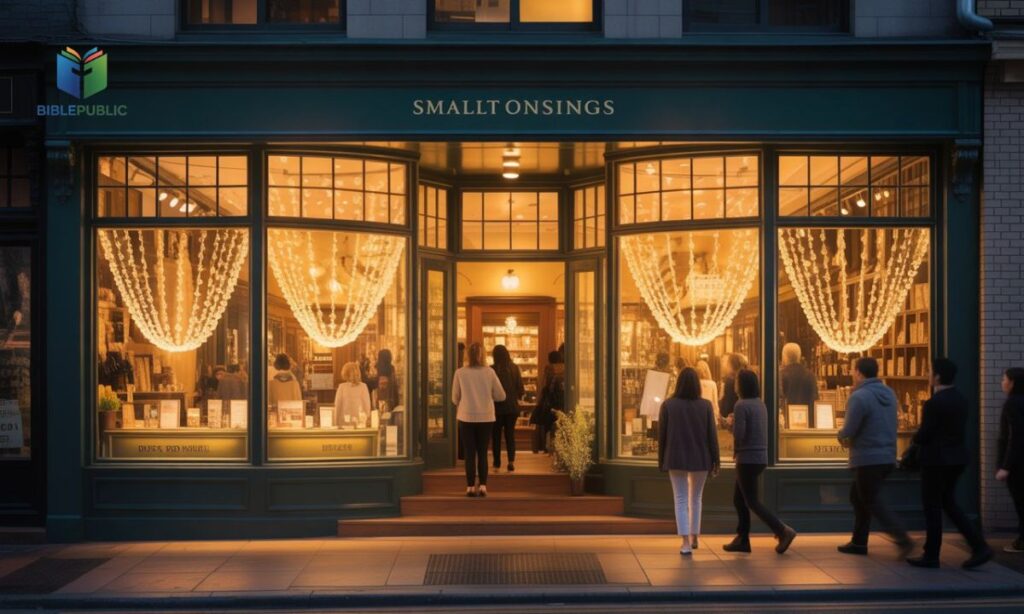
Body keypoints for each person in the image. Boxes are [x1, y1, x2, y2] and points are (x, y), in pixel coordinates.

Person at [906, 358, 992, 569]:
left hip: (936, 461)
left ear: (937, 376)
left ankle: (932, 554)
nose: (927, 375)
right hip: (957, 458)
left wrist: (914, 440)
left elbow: (925, 434)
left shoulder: (934, 403)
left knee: (932, 507)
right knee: (949, 504)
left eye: (929, 371)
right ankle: (979, 546)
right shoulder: (961, 399)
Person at [836, 357, 913, 556]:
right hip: (887, 455)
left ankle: (902, 538)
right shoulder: (889, 392)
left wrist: (840, 434)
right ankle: (859, 542)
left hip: (867, 457)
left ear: (859, 373)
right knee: (858, 497)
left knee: (870, 500)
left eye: (854, 371)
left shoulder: (859, 396)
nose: (853, 374)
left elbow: (850, 428)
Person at [724, 369, 798, 554]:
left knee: (751, 501)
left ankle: (782, 530)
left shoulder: (741, 405)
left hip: (747, 457)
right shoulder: (760, 404)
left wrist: (729, 424)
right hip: (760, 457)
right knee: (739, 499)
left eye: (736, 382)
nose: (734, 385)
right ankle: (742, 539)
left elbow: (740, 435)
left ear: (741, 386)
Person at [658, 367, 720, 555]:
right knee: (696, 498)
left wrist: (661, 460)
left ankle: (685, 542)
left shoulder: (668, 405)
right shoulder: (706, 406)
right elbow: (712, 436)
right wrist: (716, 460)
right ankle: (695, 536)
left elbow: (663, 436)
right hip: (701, 457)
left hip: (675, 456)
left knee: (681, 498)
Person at [452, 342, 505, 497]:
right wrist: (488, 396)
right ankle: (483, 486)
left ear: (468, 355)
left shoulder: (460, 373)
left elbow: (454, 398)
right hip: (486, 417)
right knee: (482, 452)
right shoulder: (489, 372)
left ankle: (469, 486)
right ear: (483, 355)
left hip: (466, 416)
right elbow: (501, 395)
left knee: (469, 453)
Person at [996, 367, 1024, 553]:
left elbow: (1015, 437)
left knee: (1020, 501)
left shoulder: (1013, 403)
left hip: (1018, 464)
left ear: (1013, 383)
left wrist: (1005, 466)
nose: (1002, 382)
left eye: (1005, 379)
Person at [491, 345, 524, 472]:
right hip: (512, 408)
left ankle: (496, 463)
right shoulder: (514, 368)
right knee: (510, 435)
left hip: (496, 408)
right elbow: (521, 389)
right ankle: (511, 461)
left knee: (496, 436)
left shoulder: (492, 369)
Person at [531, 350, 565, 453]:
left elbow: (543, 384)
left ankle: (548, 447)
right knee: (560, 423)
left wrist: (539, 399)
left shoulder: (548, 368)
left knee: (547, 425)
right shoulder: (565, 368)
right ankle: (559, 447)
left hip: (549, 402)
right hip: (561, 401)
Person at [780, 343, 818, 426]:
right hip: (808, 423)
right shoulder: (810, 375)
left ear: (784, 357)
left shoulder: (781, 375)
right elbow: (815, 400)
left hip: (788, 423)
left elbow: (780, 399)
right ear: (799, 357)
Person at [334, 361, 371, 427]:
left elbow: (337, 407)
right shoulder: (363, 386)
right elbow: (367, 406)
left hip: (347, 424)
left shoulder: (342, 387)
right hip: (357, 424)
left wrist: (336, 423)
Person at [719, 353, 748, 420]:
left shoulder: (730, 381)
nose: (725, 366)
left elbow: (727, 403)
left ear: (732, 366)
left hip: (731, 417)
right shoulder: (746, 379)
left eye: (727, 363)